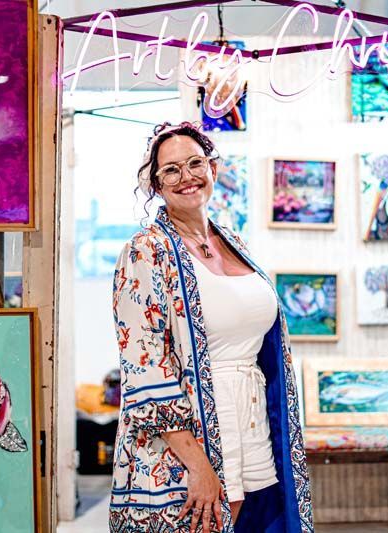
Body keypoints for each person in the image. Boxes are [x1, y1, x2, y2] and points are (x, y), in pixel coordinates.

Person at [110, 121, 314, 533]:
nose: (187, 177)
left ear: (213, 170)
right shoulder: (145, 251)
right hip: (191, 438)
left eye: (195, 163)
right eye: (171, 170)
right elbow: (145, 367)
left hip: (252, 422)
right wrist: (198, 464)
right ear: (155, 184)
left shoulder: (234, 241)